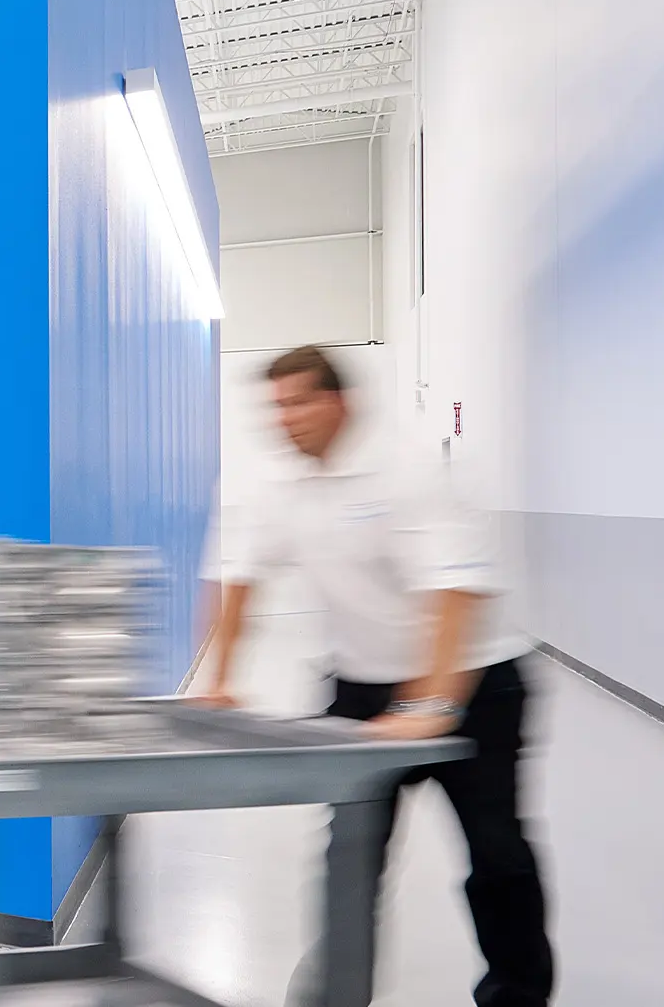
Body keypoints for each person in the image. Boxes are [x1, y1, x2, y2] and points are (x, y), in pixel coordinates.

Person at [198, 344, 552, 1007]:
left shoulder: (407, 470)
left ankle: (518, 994)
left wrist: (434, 706)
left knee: (497, 855)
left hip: (476, 684)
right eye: (276, 406)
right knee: (351, 858)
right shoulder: (277, 486)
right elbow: (235, 579)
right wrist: (219, 680)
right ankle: (335, 995)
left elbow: (454, 591)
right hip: (361, 690)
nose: (286, 419)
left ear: (339, 402)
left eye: (300, 401)